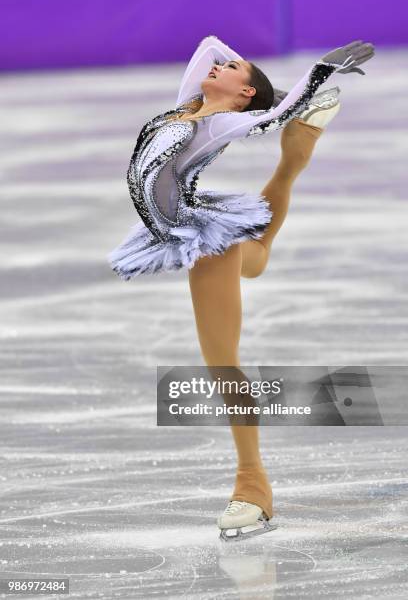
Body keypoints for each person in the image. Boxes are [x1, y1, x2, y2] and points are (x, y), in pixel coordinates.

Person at [107, 35, 375, 541]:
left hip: (203, 241)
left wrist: (317, 72)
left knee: (220, 363)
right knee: (253, 263)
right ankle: (295, 160)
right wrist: (237, 68)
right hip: (188, 220)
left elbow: (270, 113)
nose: (217, 64)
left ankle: (253, 484)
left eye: (231, 68)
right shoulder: (190, 105)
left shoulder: (221, 123)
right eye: (222, 65)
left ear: (245, 95)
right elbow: (206, 46)